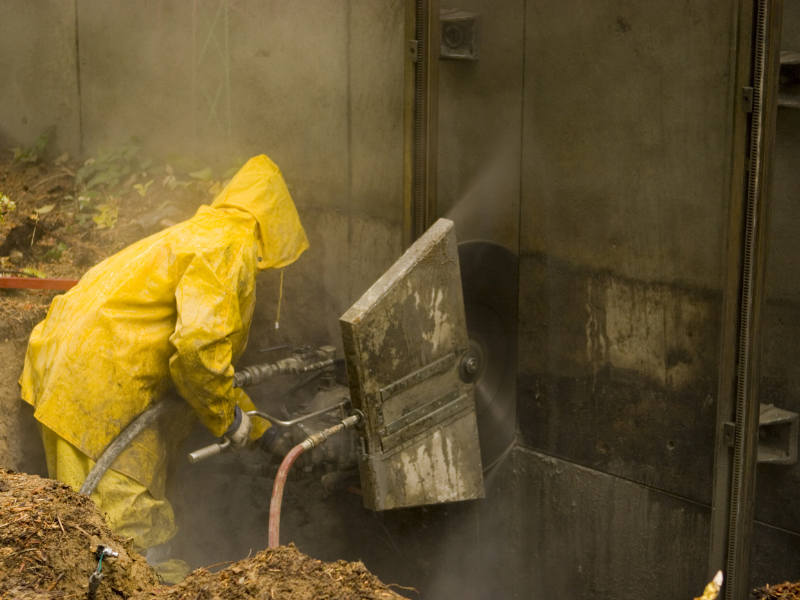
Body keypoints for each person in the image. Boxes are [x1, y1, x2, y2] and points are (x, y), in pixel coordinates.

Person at [19, 154, 309, 582]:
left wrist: (262, 431)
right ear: (277, 222)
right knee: (131, 542)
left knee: (85, 529)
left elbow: (210, 367)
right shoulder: (230, 246)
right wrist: (229, 422)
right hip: (101, 393)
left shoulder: (197, 233)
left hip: (70, 375)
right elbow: (197, 354)